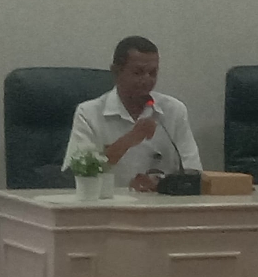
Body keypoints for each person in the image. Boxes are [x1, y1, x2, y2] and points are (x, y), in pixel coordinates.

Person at [62, 36, 201, 192]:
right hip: (108, 203)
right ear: (116, 72)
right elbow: (76, 174)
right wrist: (129, 139)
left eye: (152, 73)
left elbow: (194, 172)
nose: (147, 80)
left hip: (162, 203)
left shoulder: (173, 110)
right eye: (138, 72)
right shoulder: (89, 113)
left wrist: (160, 184)